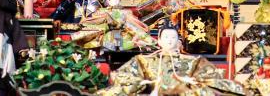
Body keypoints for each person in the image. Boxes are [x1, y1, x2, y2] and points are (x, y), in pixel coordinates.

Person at [103, 22, 244, 95]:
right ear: (158, 41)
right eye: (166, 37)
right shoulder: (144, 60)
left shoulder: (193, 61)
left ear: (179, 42)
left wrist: (192, 84)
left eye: (173, 38)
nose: (169, 41)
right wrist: (144, 83)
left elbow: (211, 78)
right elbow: (125, 78)